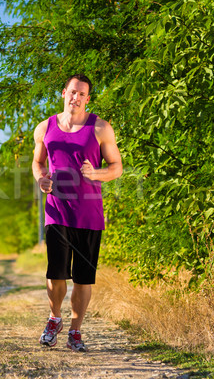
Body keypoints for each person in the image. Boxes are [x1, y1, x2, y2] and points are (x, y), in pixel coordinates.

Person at [32, 73, 123, 352]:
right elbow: (37, 162)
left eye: (82, 94)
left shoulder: (101, 128)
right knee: (55, 274)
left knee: (84, 278)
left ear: (88, 98)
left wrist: (95, 173)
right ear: (63, 93)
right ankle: (54, 318)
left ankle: (75, 330)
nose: (76, 97)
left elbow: (116, 167)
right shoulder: (44, 127)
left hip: (89, 214)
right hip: (57, 210)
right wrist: (41, 179)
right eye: (73, 92)